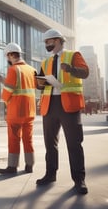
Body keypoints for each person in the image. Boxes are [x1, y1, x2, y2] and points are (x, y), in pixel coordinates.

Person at [36, 29, 89, 195]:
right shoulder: (45, 62)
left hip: (69, 105)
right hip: (50, 105)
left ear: (57, 40)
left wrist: (71, 69)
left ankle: (79, 180)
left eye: (48, 42)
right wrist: (38, 82)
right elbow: (41, 84)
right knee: (49, 144)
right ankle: (50, 174)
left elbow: (85, 72)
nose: (46, 45)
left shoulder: (73, 55)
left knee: (74, 143)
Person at [0, 43, 37, 174]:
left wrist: (4, 94)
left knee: (14, 138)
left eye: (7, 57)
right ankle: (29, 165)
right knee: (28, 138)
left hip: (16, 111)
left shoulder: (14, 70)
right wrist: (6, 81)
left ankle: (12, 166)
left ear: (10, 55)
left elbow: (7, 92)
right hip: (30, 111)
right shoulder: (31, 69)